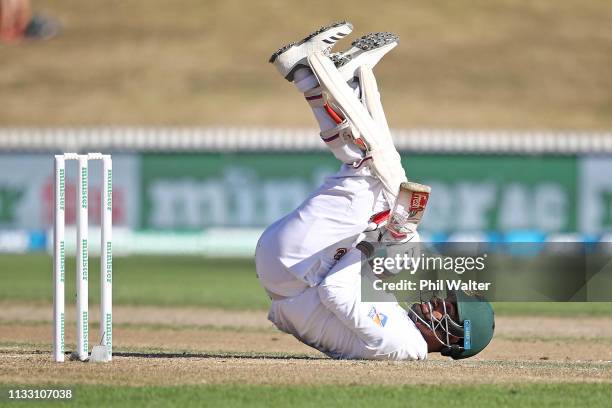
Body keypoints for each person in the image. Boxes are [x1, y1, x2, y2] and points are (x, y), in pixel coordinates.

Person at [256, 22, 494, 360]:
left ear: (457, 336)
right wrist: (395, 241)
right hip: (299, 268)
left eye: (447, 309)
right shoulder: (401, 328)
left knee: (378, 176)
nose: (435, 303)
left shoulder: (405, 346)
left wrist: (373, 243)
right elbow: (354, 281)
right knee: (385, 179)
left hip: (297, 270)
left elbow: (337, 291)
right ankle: (335, 78)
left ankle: (306, 71)